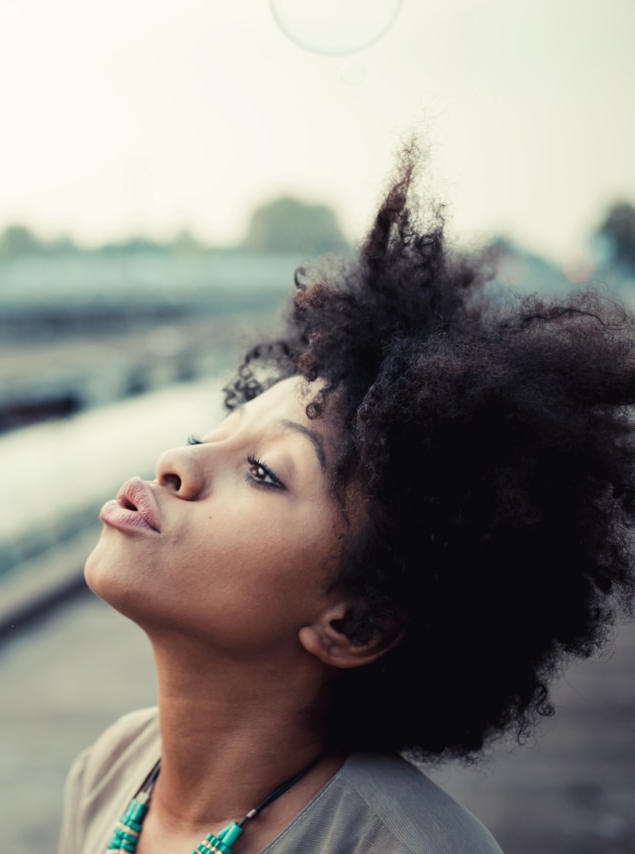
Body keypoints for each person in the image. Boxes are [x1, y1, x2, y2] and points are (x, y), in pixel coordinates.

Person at [59, 141, 635, 854]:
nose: (179, 463)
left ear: (355, 623)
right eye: (209, 434)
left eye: (265, 472)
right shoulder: (110, 770)